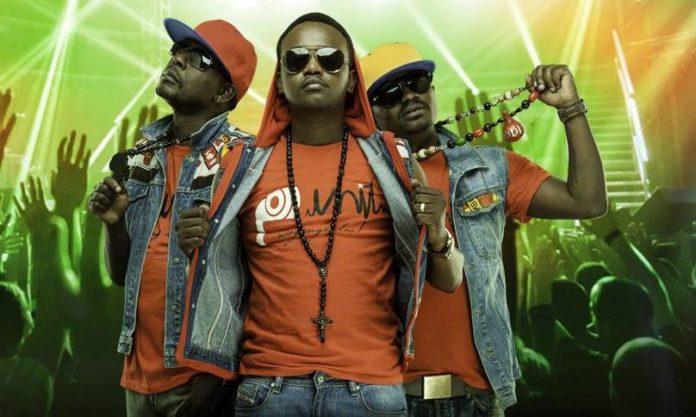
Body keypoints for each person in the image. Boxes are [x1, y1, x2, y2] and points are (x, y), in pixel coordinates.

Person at [173, 12, 459, 417]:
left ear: (352, 80)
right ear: (280, 80)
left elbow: (449, 279)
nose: (312, 67)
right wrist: (195, 246)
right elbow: (221, 274)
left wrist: (438, 233)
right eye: (296, 59)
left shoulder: (395, 159)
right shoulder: (240, 166)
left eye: (329, 59)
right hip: (268, 388)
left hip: (371, 389)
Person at [361, 42, 607, 414]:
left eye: (417, 82)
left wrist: (571, 109)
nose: (409, 96)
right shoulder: (356, 183)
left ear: (432, 88)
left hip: (475, 398)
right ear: (371, 112)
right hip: (382, 399)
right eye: (390, 93)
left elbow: (587, 202)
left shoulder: (491, 168)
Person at [87, 17, 257, 417]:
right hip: (138, 377)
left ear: (224, 92)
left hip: (203, 378)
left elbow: (266, 280)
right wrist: (114, 225)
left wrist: (218, 376)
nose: (177, 59)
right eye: (178, 51)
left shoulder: (245, 160)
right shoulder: (142, 156)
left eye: (197, 58)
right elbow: (121, 275)